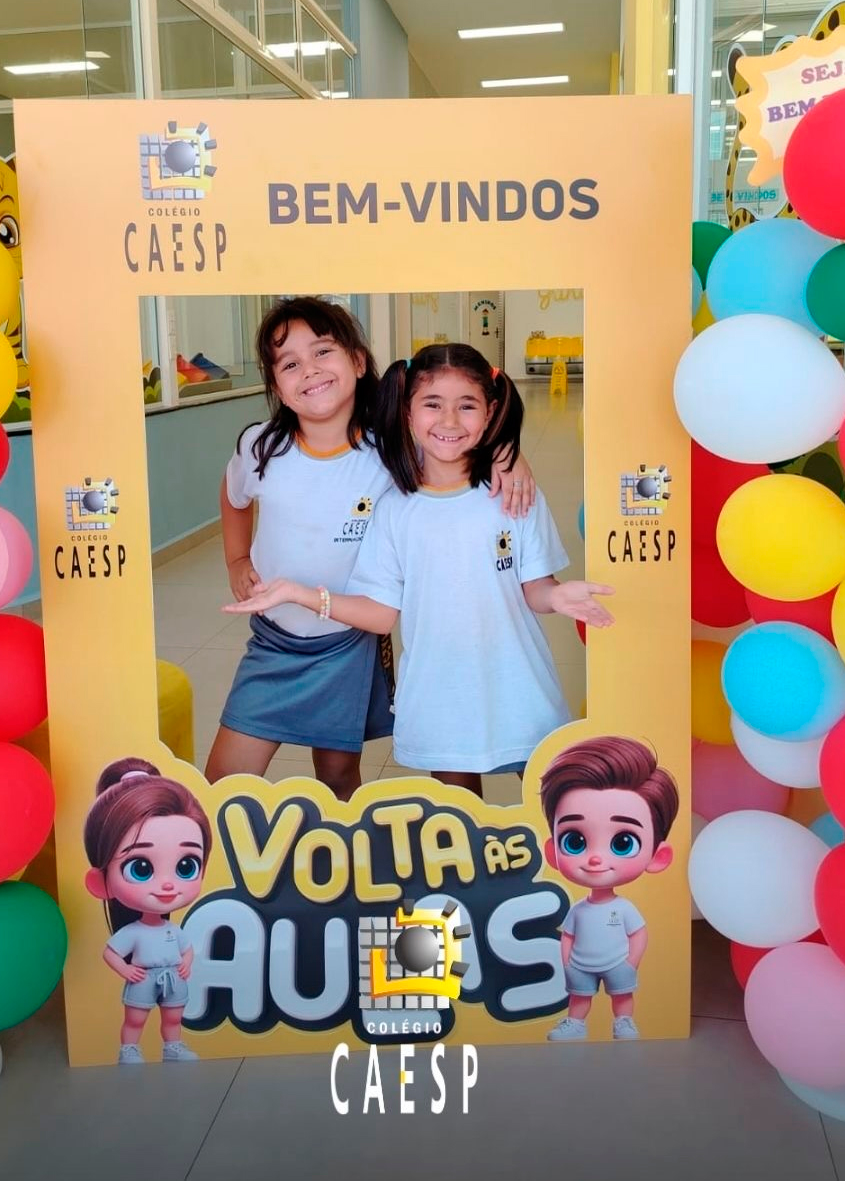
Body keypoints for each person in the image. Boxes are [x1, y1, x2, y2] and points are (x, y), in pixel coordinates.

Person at [224, 342, 613, 798]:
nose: (449, 421)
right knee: (459, 816)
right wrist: (297, 593)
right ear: (407, 413)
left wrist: (557, 596)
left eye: (466, 406)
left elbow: (536, 589)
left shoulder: (514, 496)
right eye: (432, 405)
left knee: (558, 801)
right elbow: (380, 614)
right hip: (439, 696)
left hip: (520, 688)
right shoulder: (392, 509)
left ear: (490, 412)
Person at [539, 736, 678, 1042]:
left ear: (657, 856)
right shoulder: (579, 910)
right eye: (575, 841)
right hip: (581, 964)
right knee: (579, 998)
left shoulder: (624, 908)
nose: (596, 858)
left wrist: (630, 962)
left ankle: (624, 1022)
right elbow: (567, 936)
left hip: (618, 963)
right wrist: (568, 963)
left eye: (622, 843)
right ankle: (575, 1024)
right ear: (552, 852)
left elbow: (639, 933)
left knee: (622, 996)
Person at [83, 757, 211, 1065]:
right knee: (136, 1018)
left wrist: (186, 964)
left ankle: (173, 1046)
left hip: (173, 977)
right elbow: (110, 953)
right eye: (141, 868)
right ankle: (129, 1049)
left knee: (173, 1016)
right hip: (143, 978)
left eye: (186, 866)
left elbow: (187, 948)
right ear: (101, 882)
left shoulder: (173, 931)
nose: (167, 885)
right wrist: (126, 970)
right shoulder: (133, 932)